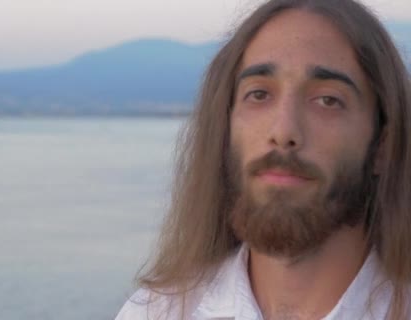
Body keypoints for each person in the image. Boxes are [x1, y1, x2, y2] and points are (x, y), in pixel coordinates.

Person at [115, 0, 411, 319]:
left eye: (328, 100)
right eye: (259, 94)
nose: (283, 131)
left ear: (383, 144)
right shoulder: (157, 312)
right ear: (225, 129)